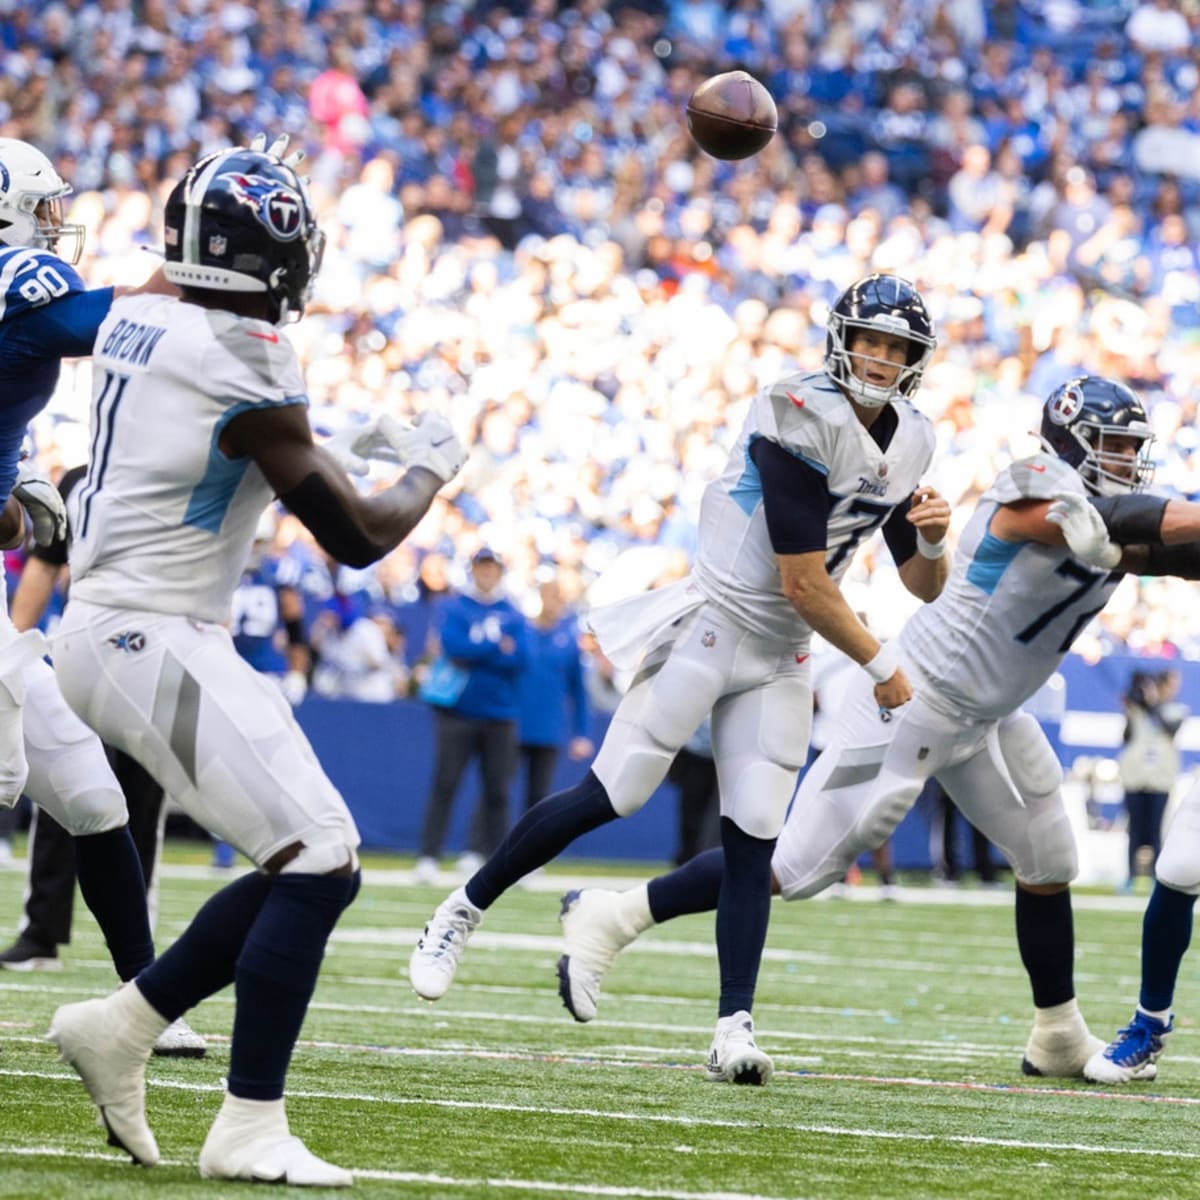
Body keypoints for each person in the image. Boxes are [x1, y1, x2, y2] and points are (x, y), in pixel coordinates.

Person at [556, 375, 1200, 1081]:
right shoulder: (1034, 485)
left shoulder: (1101, 516)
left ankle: (1056, 1033)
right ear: (1072, 441)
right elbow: (1129, 521)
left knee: (1049, 862)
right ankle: (614, 916)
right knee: (790, 871)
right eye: (1112, 443)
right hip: (913, 700)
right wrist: (1142, 532)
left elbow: (1162, 547)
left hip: (987, 714)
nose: (1124, 457)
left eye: (1131, 447)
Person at [45, 140, 467, 1185]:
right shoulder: (246, 355)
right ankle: (247, 1124)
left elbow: (217, 442)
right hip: (150, 631)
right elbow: (361, 538)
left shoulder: (144, 312)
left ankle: (123, 1023)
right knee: (322, 852)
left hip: (122, 624)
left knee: (308, 856)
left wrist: (323, 436)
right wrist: (428, 467)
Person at [409, 273, 950, 1086]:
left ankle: (734, 1025)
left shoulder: (912, 438)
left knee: (752, 840)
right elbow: (801, 576)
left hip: (784, 651)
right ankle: (460, 910)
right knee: (613, 792)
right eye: (869, 340)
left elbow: (923, 585)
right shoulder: (794, 407)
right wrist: (881, 664)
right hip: (717, 623)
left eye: (894, 347)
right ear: (842, 339)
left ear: (913, 359)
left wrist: (935, 544)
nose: (878, 357)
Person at [0, 139, 198, 1045]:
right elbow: (124, 324)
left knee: (86, 789)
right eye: (43, 208)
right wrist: (208, 237)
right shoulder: (23, 288)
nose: (52, 225)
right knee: (10, 772)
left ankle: (143, 1006)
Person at [412, 547, 529, 882]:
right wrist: (495, 648)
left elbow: (522, 659)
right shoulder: (454, 606)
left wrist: (481, 652)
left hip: (500, 712)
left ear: (500, 572)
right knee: (445, 783)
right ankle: (429, 855)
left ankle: (499, 859)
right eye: (482, 567)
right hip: (458, 711)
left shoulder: (513, 613)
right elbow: (454, 648)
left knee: (498, 790)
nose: (487, 573)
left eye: (492, 568)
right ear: (474, 570)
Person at [514, 575, 593, 815]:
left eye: (559, 598)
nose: (555, 603)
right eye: (551, 596)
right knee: (498, 788)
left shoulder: (569, 641)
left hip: (548, 728)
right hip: (514, 724)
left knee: (539, 796)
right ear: (541, 597)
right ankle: (483, 847)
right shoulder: (522, 633)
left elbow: (579, 690)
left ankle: (531, 850)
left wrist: (582, 733)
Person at [1117, 669, 1186, 890]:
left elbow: (1170, 727)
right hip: (1136, 778)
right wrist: (1132, 707)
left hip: (1159, 780)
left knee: (1155, 831)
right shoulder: (1137, 712)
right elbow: (1126, 736)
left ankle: (1158, 877)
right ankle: (1131, 876)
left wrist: (1153, 703)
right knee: (1135, 830)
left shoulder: (1175, 710)